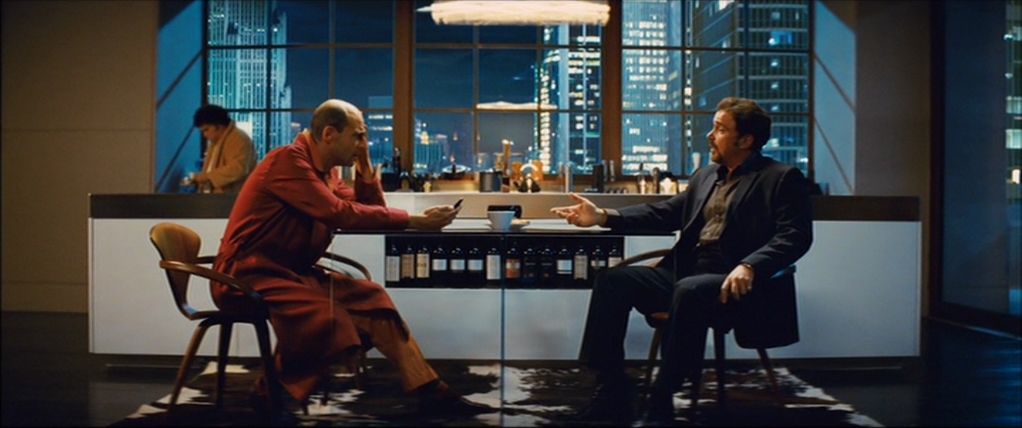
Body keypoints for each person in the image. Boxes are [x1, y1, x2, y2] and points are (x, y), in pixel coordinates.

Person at [211, 99, 489, 418]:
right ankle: (270, 390)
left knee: (372, 298)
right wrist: (414, 221)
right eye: (358, 136)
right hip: (247, 275)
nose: (363, 143)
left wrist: (366, 168)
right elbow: (338, 212)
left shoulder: (326, 174)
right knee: (325, 315)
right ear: (330, 134)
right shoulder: (287, 161)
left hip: (289, 274)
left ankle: (431, 390)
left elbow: (367, 211)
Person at [550, 97, 813, 425]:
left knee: (689, 291)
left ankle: (661, 402)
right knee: (613, 280)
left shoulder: (781, 177)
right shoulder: (706, 176)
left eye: (720, 129)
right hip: (689, 274)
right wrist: (602, 216)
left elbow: (795, 236)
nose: (710, 135)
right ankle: (611, 393)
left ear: (746, 140)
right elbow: (664, 213)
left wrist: (751, 265)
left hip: (739, 284)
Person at [186, 104, 256, 193]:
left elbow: (238, 169)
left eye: (206, 130)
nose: (205, 135)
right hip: (221, 197)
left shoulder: (239, 139)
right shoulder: (216, 142)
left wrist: (205, 177)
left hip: (231, 197)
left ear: (219, 126)